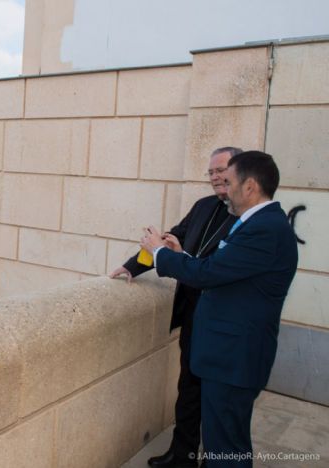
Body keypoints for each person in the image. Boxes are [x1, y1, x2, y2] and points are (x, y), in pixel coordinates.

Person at [141, 151, 298, 467]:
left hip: (233, 359)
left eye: (229, 180)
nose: (222, 187)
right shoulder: (257, 224)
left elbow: (208, 275)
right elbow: (222, 272)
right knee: (225, 441)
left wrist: (159, 252)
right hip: (229, 356)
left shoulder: (264, 228)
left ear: (250, 186)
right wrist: (182, 254)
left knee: (225, 448)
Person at [110, 146, 242, 468]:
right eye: (210, 172)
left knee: (218, 403)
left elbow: (215, 271)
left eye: (221, 170)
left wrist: (181, 257)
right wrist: (133, 267)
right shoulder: (203, 206)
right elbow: (168, 241)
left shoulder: (247, 217)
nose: (214, 177)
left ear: (240, 171)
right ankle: (181, 455)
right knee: (188, 391)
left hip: (223, 323)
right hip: (193, 316)